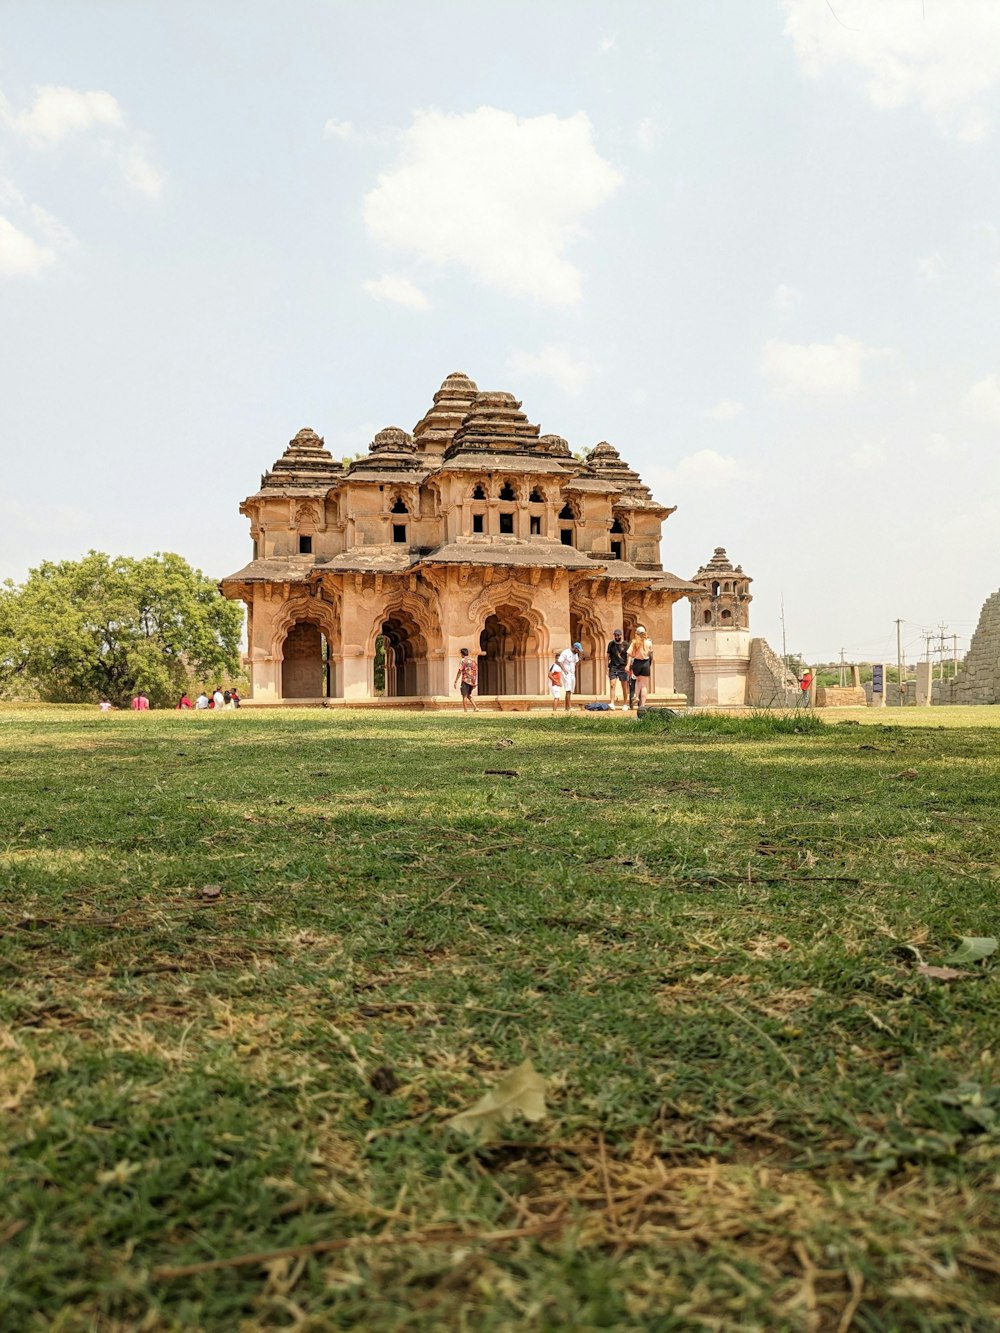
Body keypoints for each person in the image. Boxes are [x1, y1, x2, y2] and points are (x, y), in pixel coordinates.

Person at [627, 625, 653, 710]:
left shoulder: (634, 643)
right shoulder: (649, 642)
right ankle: (642, 705)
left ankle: (636, 695)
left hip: (637, 663)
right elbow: (650, 653)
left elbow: (630, 654)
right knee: (644, 685)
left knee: (638, 681)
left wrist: (628, 665)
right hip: (645, 663)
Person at [557, 642, 583, 712]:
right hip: (566, 673)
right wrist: (564, 670)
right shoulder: (566, 652)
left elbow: (575, 664)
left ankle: (566, 707)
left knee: (570, 690)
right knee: (568, 689)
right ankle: (569, 707)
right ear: (574, 648)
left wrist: (580, 661)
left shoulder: (575, 655)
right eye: (578, 650)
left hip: (572, 673)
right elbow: (559, 662)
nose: (578, 651)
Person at [606, 629, 628, 709]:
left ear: (621, 635)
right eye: (615, 635)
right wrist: (606, 667)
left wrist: (628, 666)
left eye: (618, 635)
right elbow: (607, 656)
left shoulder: (626, 644)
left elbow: (628, 656)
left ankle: (625, 704)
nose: (617, 637)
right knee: (612, 685)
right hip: (613, 667)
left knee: (624, 686)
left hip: (623, 667)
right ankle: (612, 702)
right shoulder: (611, 644)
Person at [453, 647, 479, 713]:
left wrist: (456, 681)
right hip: (472, 680)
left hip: (465, 680)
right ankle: (475, 707)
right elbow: (475, 671)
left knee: (464, 695)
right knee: (468, 695)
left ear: (462, 654)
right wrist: (474, 682)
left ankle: (465, 710)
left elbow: (459, 671)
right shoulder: (473, 660)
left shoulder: (463, 660)